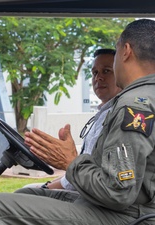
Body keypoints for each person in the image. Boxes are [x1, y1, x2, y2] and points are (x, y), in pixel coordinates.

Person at [0, 19, 155, 225]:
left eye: (116, 53)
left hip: (123, 218)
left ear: (125, 51)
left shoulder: (135, 107)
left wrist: (70, 161)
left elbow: (118, 192)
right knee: (22, 195)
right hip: (106, 208)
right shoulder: (142, 99)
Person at [24, 48, 121, 190]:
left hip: (87, 199)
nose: (98, 78)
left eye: (106, 71)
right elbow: (78, 171)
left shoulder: (118, 116)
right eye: (95, 73)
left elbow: (90, 177)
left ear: (120, 74)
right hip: (77, 188)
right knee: (26, 190)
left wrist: (49, 187)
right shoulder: (100, 116)